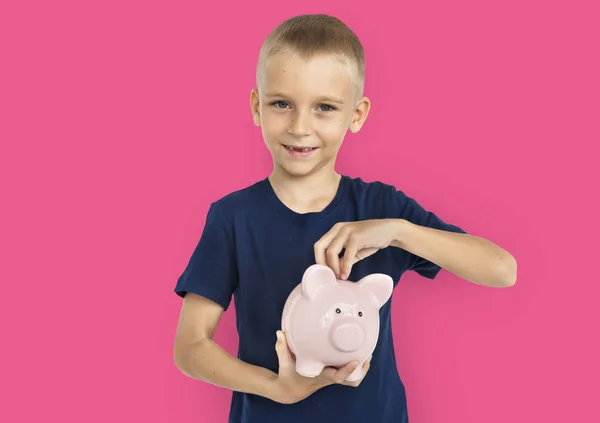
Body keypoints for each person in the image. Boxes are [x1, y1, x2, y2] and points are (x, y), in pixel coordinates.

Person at [173, 14, 517, 423]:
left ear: (356, 114)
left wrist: (398, 232)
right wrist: (276, 389)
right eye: (282, 104)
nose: (300, 127)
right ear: (256, 106)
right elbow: (190, 347)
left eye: (324, 108)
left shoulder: (381, 208)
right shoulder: (233, 217)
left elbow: (502, 269)